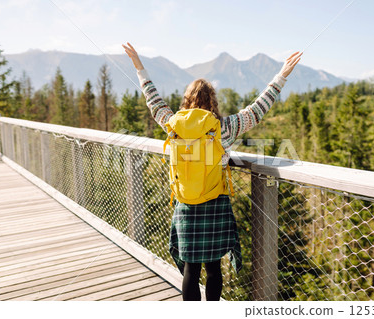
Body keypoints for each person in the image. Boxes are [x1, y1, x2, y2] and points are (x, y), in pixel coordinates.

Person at [122, 42, 302, 301]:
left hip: (185, 205)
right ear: (213, 102)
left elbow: (154, 101)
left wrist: (139, 67)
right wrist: (281, 75)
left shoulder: (173, 125)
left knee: (190, 272)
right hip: (216, 203)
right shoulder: (223, 128)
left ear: (186, 101)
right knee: (214, 271)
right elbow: (258, 109)